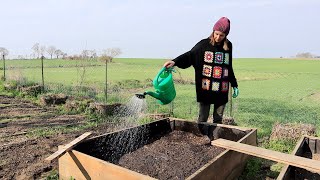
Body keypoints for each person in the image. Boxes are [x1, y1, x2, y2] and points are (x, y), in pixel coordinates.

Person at [163, 17, 239, 124]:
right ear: (213, 31)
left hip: (222, 88)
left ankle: (215, 138)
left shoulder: (228, 46)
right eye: (216, 34)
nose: (218, 37)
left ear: (226, 35)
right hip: (206, 88)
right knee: (203, 118)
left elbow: (228, 66)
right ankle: (201, 138)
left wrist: (234, 84)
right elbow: (190, 55)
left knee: (218, 119)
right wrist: (174, 62)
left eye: (222, 35)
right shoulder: (203, 45)